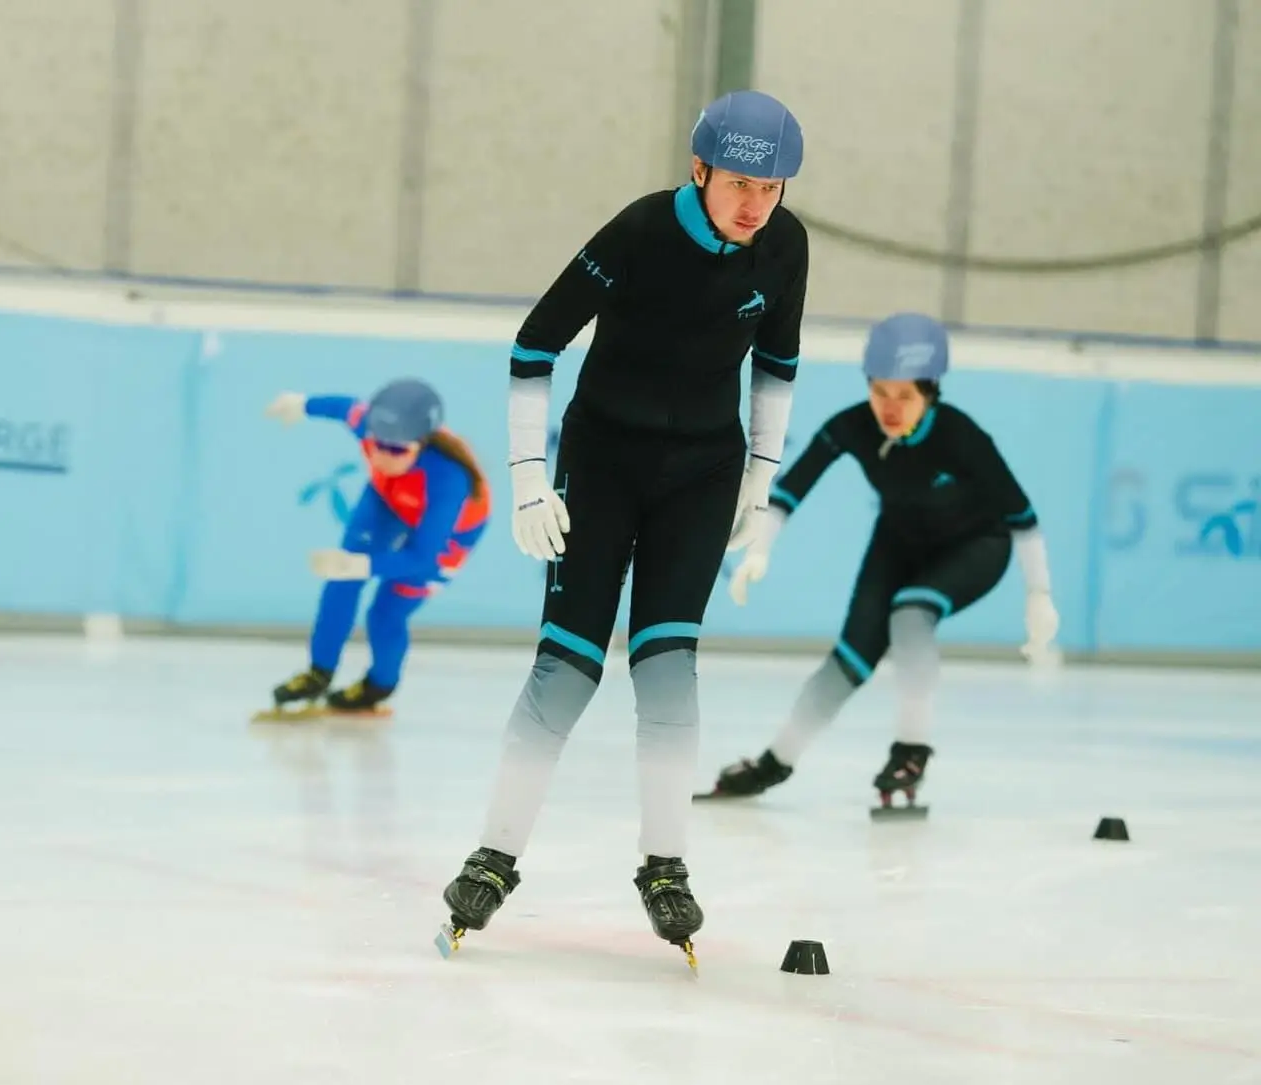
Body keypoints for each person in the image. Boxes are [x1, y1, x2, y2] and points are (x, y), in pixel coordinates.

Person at [437, 90, 810, 966]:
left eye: (776, 186)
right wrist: (531, 478)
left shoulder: (786, 245)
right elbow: (535, 346)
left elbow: (779, 362)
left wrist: (760, 475)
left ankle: (665, 865)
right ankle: (493, 857)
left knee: (668, 668)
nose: (757, 203)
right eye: (742, 183)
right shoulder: (640, 232)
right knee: (565, 670)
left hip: (704, 474)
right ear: (700, 169)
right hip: (602, 465)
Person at [697, 312, 1061, 808]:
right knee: (847, 659)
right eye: (880, 392)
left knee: (911, 613)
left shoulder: (962, 437)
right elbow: (789, 492)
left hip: (977, 545)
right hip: (899, 539)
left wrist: (1039, 596)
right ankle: (773, 764)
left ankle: (911, 752)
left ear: (931, 392)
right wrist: (760, 548)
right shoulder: (852, 426)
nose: (889, 408)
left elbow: (1023, 519)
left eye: (905, 396)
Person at [261, 378, 490, 716]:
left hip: (448, 534)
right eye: (376, 444)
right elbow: (344, 407)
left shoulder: (449, 479)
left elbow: (423, 560)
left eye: (397, 450)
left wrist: (363, 566)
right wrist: (301, 403)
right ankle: (318, 672)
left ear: (422, 443)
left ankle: (378, 685)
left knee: (385, 613)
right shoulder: (370, 425)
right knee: (341, 580)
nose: (382, 455)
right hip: (389, 499)